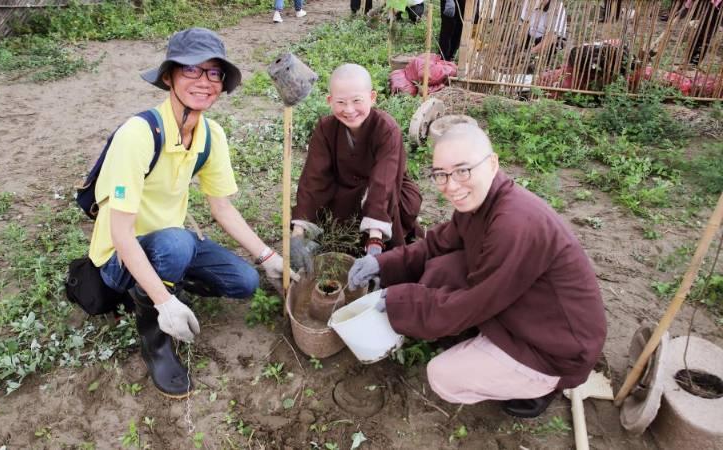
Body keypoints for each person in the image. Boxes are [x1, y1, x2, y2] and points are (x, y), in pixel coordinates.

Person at [88, 28, 297, 399]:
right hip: (119, 256)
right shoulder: (137, 135)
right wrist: (165, 304)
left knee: (244, 281)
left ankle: (165, 282)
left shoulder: (210, 134)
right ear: (168, 76)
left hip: (172, 243)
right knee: (176, 243)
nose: (204, 82)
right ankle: (154, 336)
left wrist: (268, 257)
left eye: (213, 73)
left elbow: (222, 208)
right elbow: (120, 233)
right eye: (191, 70)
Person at [348, 124, 606, 417]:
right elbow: (433, 246)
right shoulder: (481, 204)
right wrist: (381, 263)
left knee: (443, 377)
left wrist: (397, 301)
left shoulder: (514, 224)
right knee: (441, 267)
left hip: (555, 348)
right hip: (523, 306)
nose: (452, 186)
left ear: (492, 163)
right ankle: (485, 343)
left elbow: (473, 302)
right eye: (441, 175)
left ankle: (542, 386)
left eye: (463, 170)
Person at [290, 64, 422, 273]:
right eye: (341, 102)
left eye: (357, 101)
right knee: (333, 232)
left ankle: (378, 244)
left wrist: (375, 245)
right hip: (345, 192)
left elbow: (384, 182)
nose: (349, 110)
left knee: (384, 250)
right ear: (329, 101)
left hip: (388, 194)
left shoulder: (387, 129)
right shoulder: (325, 128)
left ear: (372, 97)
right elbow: (314, 178)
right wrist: (297, 234)